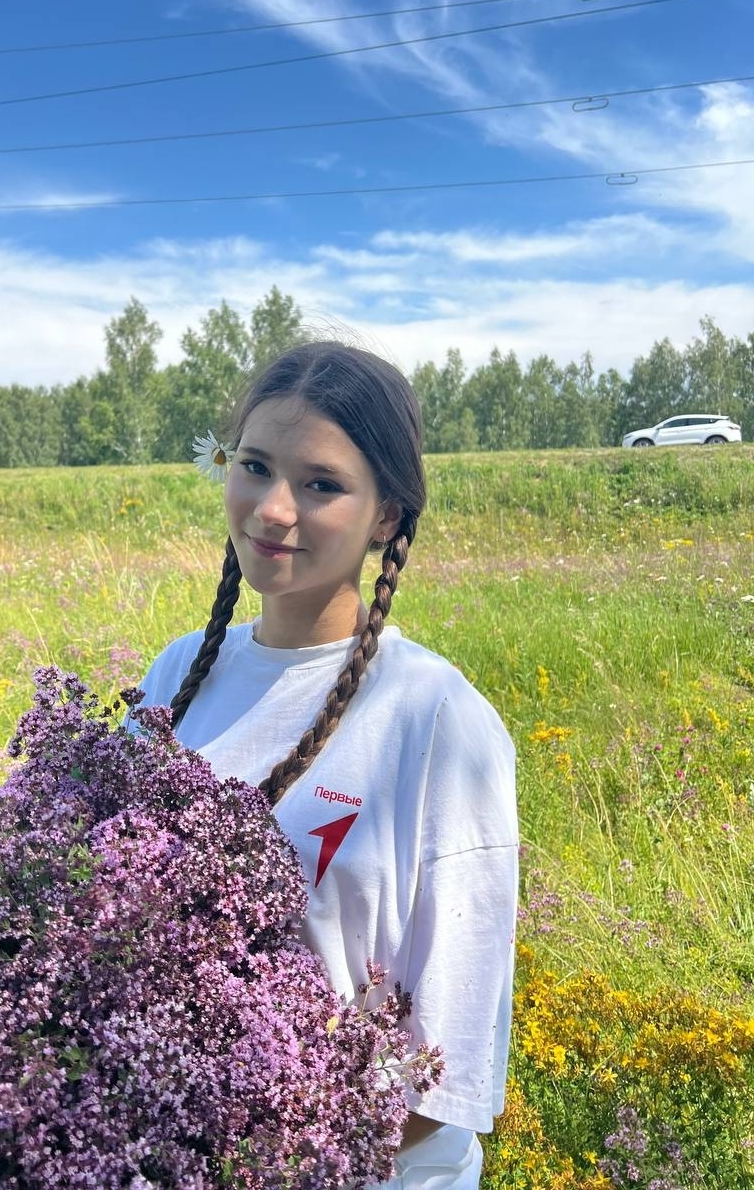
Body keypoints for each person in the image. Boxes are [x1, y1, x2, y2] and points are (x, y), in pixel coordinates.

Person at [136, 341, 519, 1190]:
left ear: (387, 515)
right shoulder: (174, 676)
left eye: (322, 484)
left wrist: (257, 1161)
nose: (272, 510)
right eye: (254, 466)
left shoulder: (439, 721)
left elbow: (445, 1072)